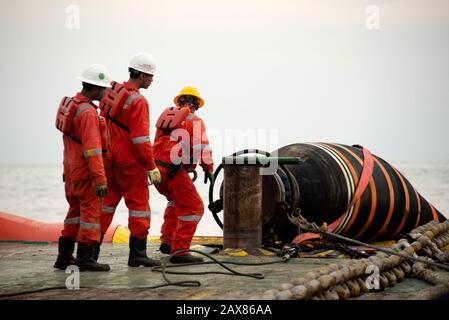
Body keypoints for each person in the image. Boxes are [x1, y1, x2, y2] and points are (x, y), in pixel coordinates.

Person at [98, 53, 161, 267]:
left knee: (104, 207)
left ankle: (87, 254)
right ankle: (137, 255)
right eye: (150, 76)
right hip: (130, 163)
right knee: (139, 207)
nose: (152, 80)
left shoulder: (111, 94)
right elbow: (141, 140)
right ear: (141, 75)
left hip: (108, 160)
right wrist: (151, 166)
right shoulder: (139, 101)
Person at [54, 64, 111, 272]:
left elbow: (70, 144)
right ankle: (85, 259)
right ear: (95, 89)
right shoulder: (88, 113)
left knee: (73, 214)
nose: (107, 92)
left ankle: (64, 257)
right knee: (90, 215)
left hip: (71, 172)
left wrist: (65, 170)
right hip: (87, 174)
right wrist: (100, 179)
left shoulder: (74, 107)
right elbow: (92, 150)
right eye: (104, 88)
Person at [153, 86, 214, 263]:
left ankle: (167, 241)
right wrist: (208, 168)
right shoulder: (195, 120)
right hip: (175, 172)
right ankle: (179, 251)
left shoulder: (166, 120)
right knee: (194, 208)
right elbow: (202, 147)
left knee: (174, 201)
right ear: (196, 104)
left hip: (157, 172)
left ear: (179, 102)